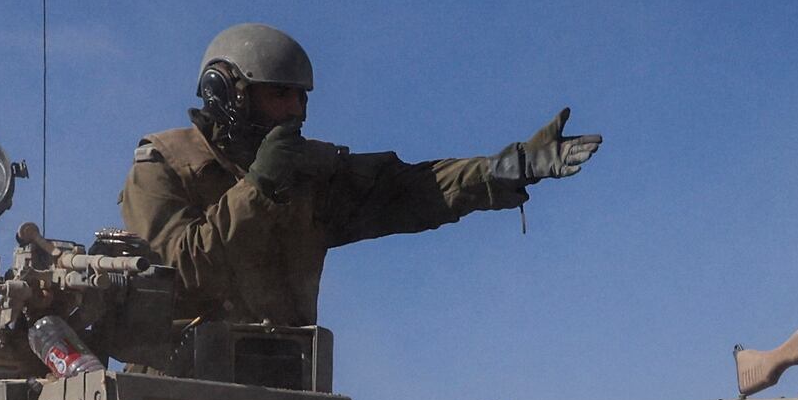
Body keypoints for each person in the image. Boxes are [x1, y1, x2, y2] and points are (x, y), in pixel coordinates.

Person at [119, 24, 601, 333]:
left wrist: (507, 168)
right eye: (280, 95)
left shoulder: (308, 171)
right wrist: (259, 190)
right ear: (227, 92)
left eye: (301, 97)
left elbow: (410, 189)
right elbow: (179, 269)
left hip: (286, 390)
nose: (296, 110)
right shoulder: (163, 164)